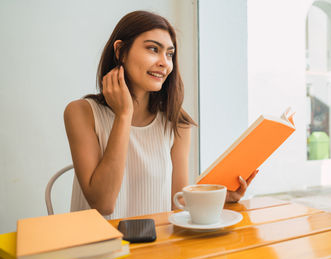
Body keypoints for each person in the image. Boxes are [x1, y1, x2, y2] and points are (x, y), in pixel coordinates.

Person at [64, 10, 257, 219]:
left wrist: (219, 197)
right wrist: (123, 115)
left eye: (170, 54)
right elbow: (103, 204)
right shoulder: (81, 112)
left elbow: (179, 203)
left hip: (156, 248)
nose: (165, 63)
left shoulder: (177, 122)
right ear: (120, 51)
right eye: (153, 49)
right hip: (98, 248)